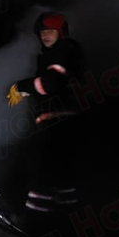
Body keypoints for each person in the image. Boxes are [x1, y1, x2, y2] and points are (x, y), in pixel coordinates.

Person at [8, 11, 84, 213]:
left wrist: (22, 86)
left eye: (50, 30)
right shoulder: (60, 53)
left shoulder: (64, 50)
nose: (45, 35)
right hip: (59, 120)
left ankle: (35, 216)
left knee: (43, 170)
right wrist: (29, 92)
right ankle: (67, 214)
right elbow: (54, 84)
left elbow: (50, 83)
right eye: (42, 32)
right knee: (60, 174)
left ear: (61, 32)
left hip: (58, 122)